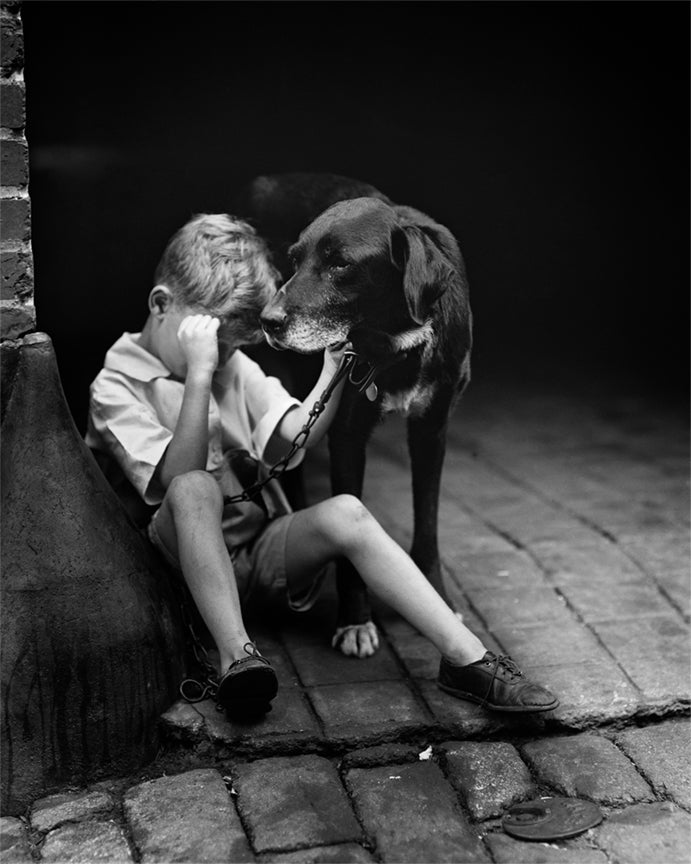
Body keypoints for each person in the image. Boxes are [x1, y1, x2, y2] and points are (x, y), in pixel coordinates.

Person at [86, 213, 559, 718]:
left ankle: (468, 658)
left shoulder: (228, 366)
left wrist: (330, 371)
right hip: (179, 574)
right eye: (216, 341)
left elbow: (292, 438)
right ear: (161, 305)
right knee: (194, 488)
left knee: (348, 512)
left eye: (231, 346)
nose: (224, 355)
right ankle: (235, 658)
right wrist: (199, 376)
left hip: (253, 557)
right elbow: (171, 480)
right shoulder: (115, 386)